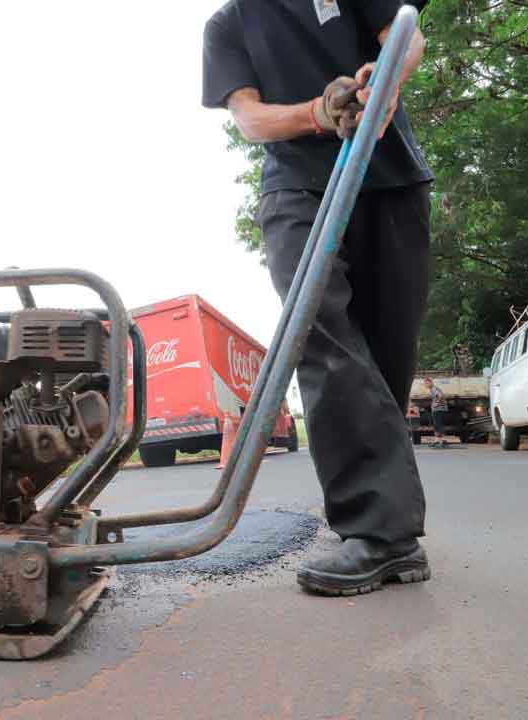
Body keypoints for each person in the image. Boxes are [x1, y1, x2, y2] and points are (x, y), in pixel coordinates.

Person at [202, 0, 433, 595]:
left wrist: (381, 84)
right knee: (319, 331)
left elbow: (407, 39)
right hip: (296, 191)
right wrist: (319, 112)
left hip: (389, 178)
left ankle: (391, 533)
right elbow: (249, 120)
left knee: (386, 349)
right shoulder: (227, 26)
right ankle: (378, 532)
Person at [424, 377, 448, 448]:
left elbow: (440, 396)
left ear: (431, 382)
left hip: (438, 409)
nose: (426, 385)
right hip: (439, 409)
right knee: (438, 425)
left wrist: (436, 403)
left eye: (427, 383)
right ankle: (438, 440)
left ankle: (439, 442)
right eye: (425, 383)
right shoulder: (433, 389)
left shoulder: (434, 389)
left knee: (438, 425)